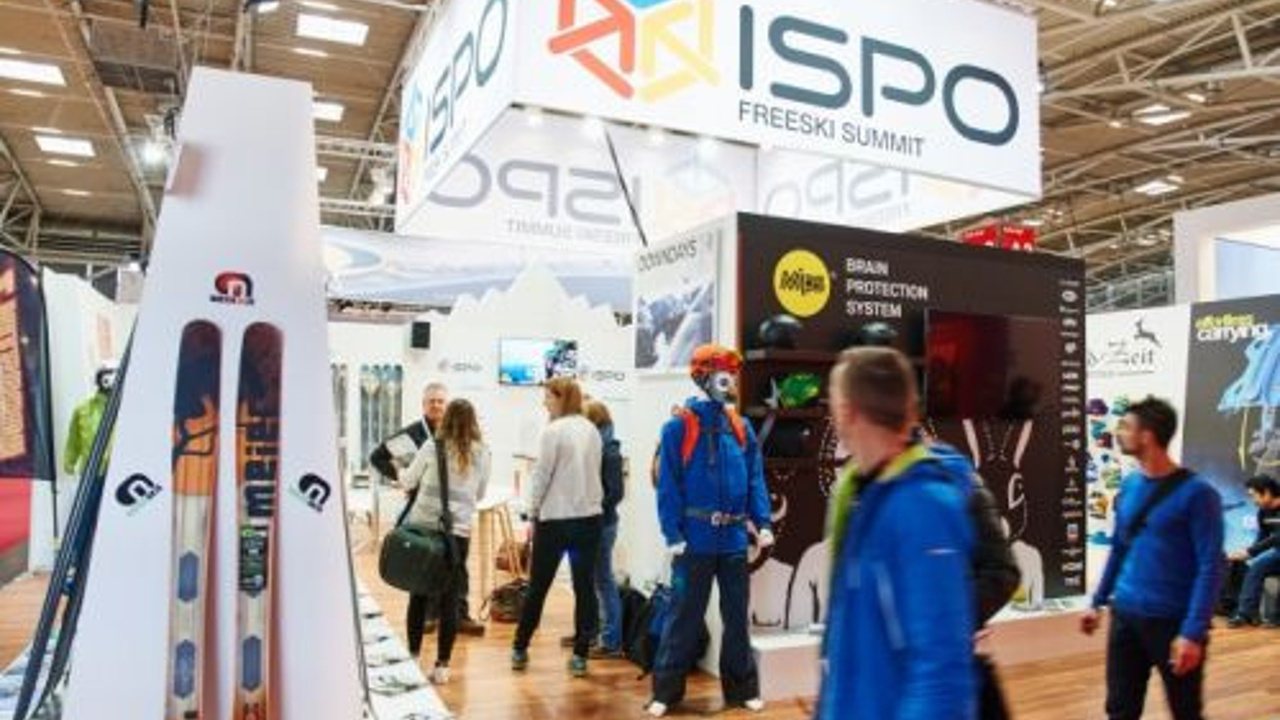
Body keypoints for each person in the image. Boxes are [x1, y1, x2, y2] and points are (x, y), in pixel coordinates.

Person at [817, 347, 976, 720]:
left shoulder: (922, 506)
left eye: (832, 402)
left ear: (847, 411)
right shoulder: (865, 494)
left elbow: (941, 671)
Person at [647, 344, 773, 717]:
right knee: (683, 617)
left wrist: (762, 521)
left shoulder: (741, 428)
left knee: (736, 618)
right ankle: (665, 692)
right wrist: (672, 534)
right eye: (723, 374)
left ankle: (741, 688)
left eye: (733, 374)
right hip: (694, 542)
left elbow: (755, 478)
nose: (730, 382)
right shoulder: (677, 428)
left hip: (733, 540)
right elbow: (668, 484)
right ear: (703, 377)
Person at [1081, 397, 1225, 720]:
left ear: (1147, 436)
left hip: (1172, 623)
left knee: (1185, 712)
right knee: (1120, 710)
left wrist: (1192, 632)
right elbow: (1119, 548)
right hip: (1125, 616)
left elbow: (1211, 567)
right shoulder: (1130, 484)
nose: (1119, 432)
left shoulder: (1199, 494)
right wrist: (1097, 601)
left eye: (1126, 426)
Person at [370, 381, 484, 636]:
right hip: (424, 509)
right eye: (431, 401)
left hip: (456, 516)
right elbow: (377, 457)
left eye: (440, 401)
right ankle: (428, 616)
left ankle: (460, 614)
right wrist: (401, 478)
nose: (436, 405)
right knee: (425, 559)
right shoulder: (411, 434)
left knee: (457, 566)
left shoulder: (467, 442)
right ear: (423, 405)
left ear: (447, 405)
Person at [513, 377, 604, 678]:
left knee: (538, 586)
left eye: (548, 397)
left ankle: (520, 647)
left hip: (555, 522)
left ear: (561, 398)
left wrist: (531, 511)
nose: (544, 402)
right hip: (589, 521)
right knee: (584, 588)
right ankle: (580, 655)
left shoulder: (552, 431)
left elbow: (542, 476)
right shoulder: (592, 430)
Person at [399, 399, 491, 684]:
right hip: (457, 534)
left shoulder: (431, 446)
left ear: (446, 419)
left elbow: (408, 481)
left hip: (424, 530)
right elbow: (479, 494)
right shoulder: (482, 452)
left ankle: (413, 656)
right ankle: (442, 667)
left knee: (419, 595)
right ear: (473, 422)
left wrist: (400, 470)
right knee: (450, 600)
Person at [584, 400, 626, 658]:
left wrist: (593, 508)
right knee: (592, 580)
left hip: (602, 524)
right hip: (593, 523)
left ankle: (611, 641)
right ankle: (593, 634)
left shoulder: (609, 451)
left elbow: (616, 493)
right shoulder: (597, 447)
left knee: (603, 581)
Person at [1227, 474, 1280, 628]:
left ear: (1267, 492)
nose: (1253, 500)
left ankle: (1274, 617)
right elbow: (1262, 538)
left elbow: (1277, 538)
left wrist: (1250, 552)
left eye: (1254, 495)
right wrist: (1244, 553)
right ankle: (1246, 613)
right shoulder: (1263, 512)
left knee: (1260, 563)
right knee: (1255, 567)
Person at [64, 363, 116, 475]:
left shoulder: (125, 409)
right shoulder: (82, 410)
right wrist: (69, 461)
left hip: (118, 471)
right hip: (91, 472)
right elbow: (74, 439)